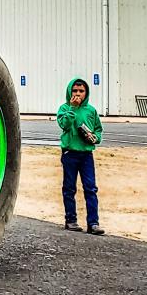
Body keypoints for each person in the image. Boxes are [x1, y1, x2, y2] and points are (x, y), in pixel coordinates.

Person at [57, 77, 104, 235]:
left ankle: (93, 223)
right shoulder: (64, 108)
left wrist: (95, 137)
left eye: (81, 91)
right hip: (70, 153)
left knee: (90, 188)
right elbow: (64, 125)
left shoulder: (91, 111)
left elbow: (98, 129)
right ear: (70, 92)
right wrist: (72, 108)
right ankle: (71, 220)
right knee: (69, 188)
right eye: (75, 91)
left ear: (86, 93)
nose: (78, 94)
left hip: (86, 155)